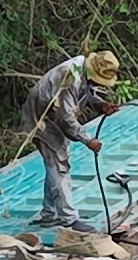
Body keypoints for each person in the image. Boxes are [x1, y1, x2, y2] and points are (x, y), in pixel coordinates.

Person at [20, 51, 122, 232]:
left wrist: (100, 105)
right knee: (59, 167)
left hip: (53, 117)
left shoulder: (83, 70)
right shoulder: (68, 79)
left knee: (55, 165)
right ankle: (68, 219)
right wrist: (87, 140)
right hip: (42, 120)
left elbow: (85, 93)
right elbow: (66, 118)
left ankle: (49, 214)